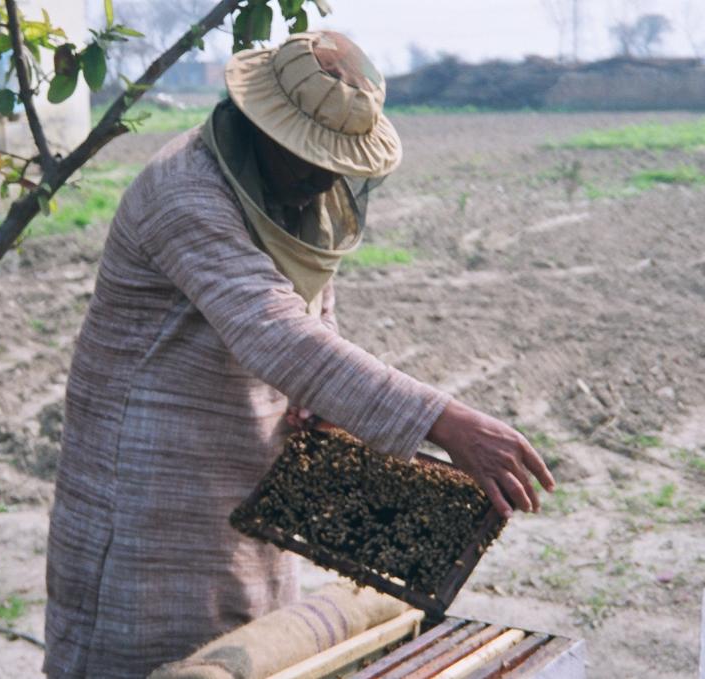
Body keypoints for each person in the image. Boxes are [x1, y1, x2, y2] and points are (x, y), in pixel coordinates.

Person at [43, 31, 555, 679]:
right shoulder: (184, 194)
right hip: (148, 495)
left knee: (246, 658)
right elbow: (275, 330)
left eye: (337, 162)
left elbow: (315, 311)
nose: (324, 177)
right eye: (312, 158)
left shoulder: (297, 200)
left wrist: (318, 403)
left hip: (247, 476)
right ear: (264, 128)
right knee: (150, 662)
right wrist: (445, 420)